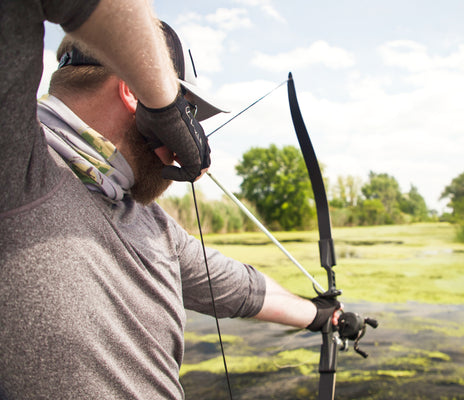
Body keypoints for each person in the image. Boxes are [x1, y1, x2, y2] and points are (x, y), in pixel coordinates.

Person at [0, 2, 339, 399]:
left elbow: (239, 289)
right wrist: (165, 101)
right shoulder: (17, 166)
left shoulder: (146, 219)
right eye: (189, 112)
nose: (187, 140)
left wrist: (325, 317)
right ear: (133, 91)